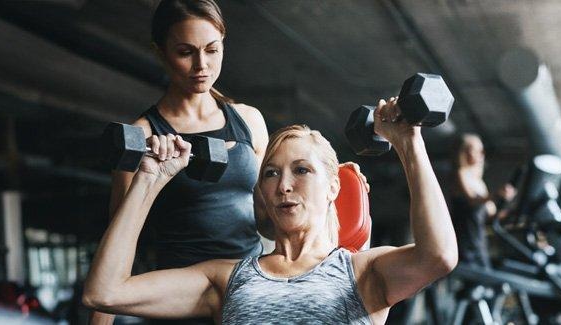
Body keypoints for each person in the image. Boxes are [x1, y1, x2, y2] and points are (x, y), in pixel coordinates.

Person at [83, 98, 458, 324]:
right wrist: (151, 176)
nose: (283, 185)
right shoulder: (225, 279)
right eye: (271, 173)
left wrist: (409, 144)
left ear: (333, 186)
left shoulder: (362, 273)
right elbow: (105, 292)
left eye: (302, 170)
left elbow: (438, 255)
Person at [92, 1, 268, 324]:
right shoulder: (144, 136)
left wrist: (332, 182)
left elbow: (274, 214)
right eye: (186, 52)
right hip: (184, 301)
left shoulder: (249, 121)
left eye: (212, 50)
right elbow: (119, 246)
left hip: (249, 295)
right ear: (160, 52)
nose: (202, 65)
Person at [449, 134, 513, 269]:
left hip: (478, 242)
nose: (481, 153)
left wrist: (510, 209)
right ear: (464, 152)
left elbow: (491, 213)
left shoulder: (480, 183)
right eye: (475, 149)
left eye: (481, 150)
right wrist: (496, 195)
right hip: (464, 242)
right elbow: (472, 200)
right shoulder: (461, 174)